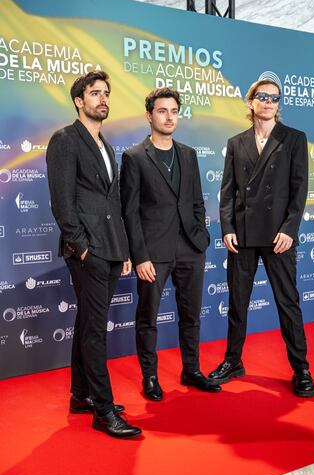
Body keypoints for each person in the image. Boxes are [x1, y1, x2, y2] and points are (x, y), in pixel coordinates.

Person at [46, 70, 142, 438]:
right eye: (94, 93)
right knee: (95, 331)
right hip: (87, 251)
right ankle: (103, 411)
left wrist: (123, 249)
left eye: (106, 93)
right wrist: (82, 248)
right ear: (78, 101)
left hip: (110, 248)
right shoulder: (65, 140)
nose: (103, 99)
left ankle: (80, 395)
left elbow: (111, 202)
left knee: (87, 323)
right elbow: (62, 202)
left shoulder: (105, 144)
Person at [208, 78, 314, 398]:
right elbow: (227, 192)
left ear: (278, 104)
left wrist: (289, 230)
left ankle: (301, 369)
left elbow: (300, 190)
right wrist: (227, 228)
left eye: (274, 97)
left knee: (288, 303)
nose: (269, 101)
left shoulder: (293, 139)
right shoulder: (237, 142)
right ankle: (233, 361)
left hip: (279, 235)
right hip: (242, 235)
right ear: (251, 101)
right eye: (263, 96)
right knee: (237, 303)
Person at [120, 87, 220, 400]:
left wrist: (201, 238)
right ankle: (150, 377)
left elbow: (196, 202)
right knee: (147, 317)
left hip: (191, 247)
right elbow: (130, 212)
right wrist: (140, 256)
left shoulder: (188, 154)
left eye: (174, 111)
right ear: (149, 116)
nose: (169, 117)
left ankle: (191, 370)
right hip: (153, 253)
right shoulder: (134, 157)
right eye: (162, 111)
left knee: (191, 315)